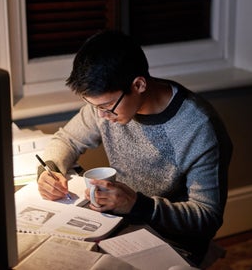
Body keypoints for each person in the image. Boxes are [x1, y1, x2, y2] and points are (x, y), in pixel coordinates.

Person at [37, 30, 232, 266]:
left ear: (138, 84)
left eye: (108, 106)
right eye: (93, 106)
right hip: (116, 224)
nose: (101, 116)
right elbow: (66, 139)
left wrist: (139, 205)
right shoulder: (104, 105)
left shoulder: (198, 127)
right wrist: (49, 170)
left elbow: (207, 217)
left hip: (173, 243)